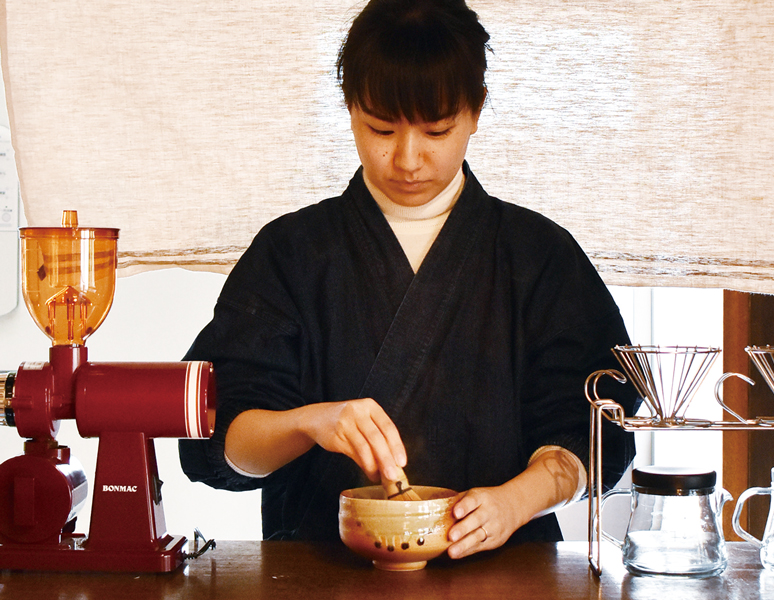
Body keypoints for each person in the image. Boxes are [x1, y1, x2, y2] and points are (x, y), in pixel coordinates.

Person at [179, 0, 639, 560]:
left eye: (437, 130)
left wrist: (516, 502)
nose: (407, 158)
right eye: (380, 127)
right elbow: (218, 436)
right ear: (349, 107)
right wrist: (310, 423)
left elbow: (594, 431)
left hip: (508, 576)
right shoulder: (292, 252)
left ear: (477, 109)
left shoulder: (539, 255)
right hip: (318, 580)